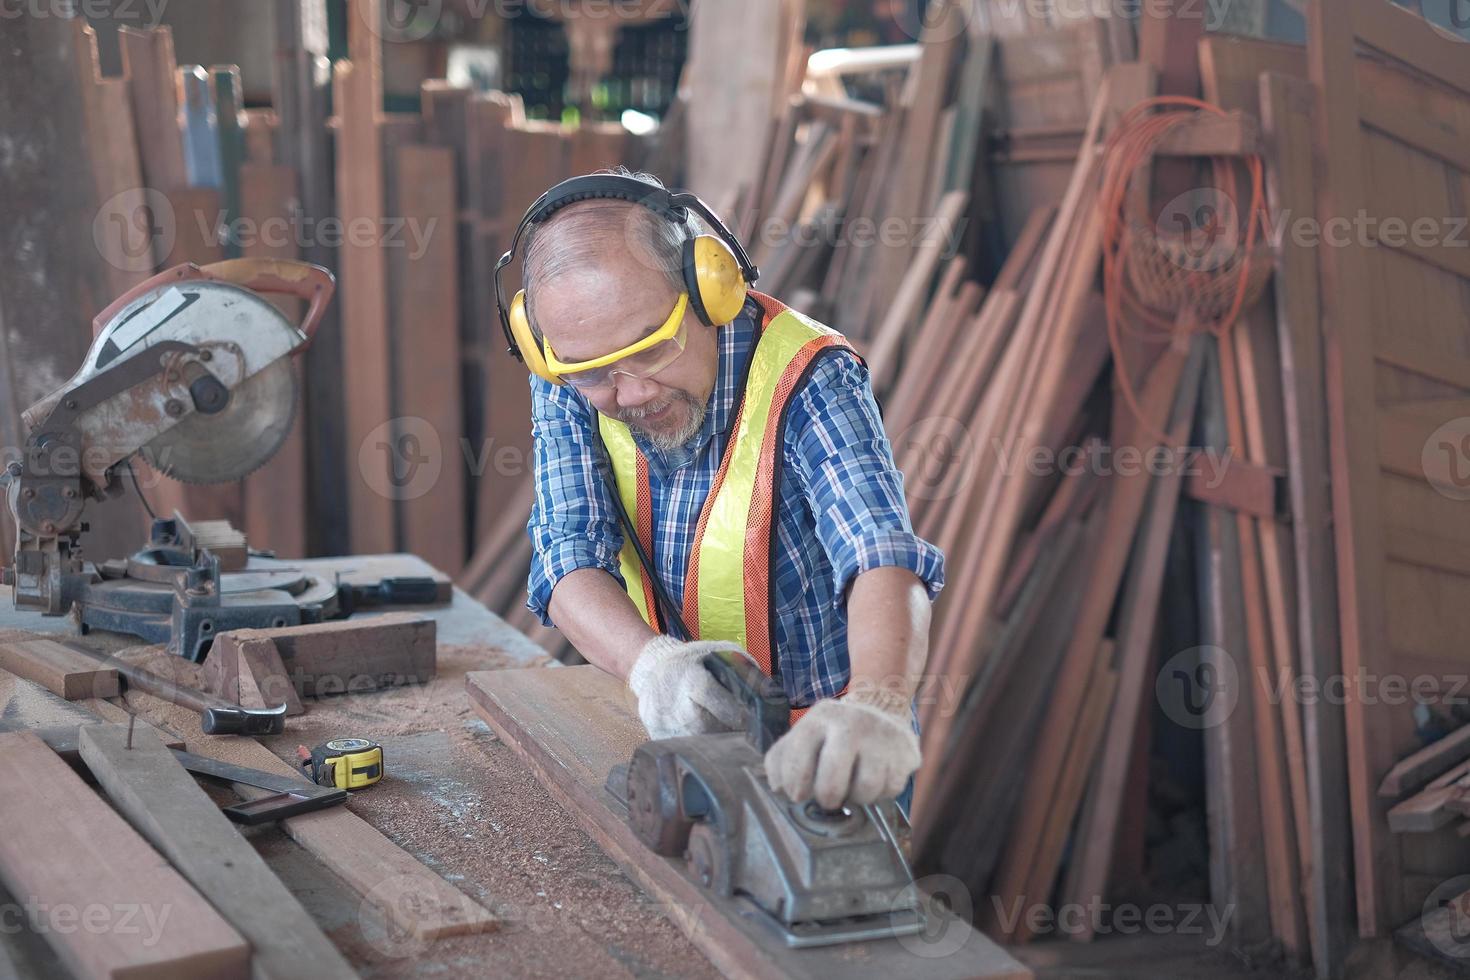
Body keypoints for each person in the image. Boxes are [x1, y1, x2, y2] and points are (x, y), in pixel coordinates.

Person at [497, 169, 944, 813]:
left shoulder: (809, 374)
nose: (630, 393)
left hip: (827, 752)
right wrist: (652, 667)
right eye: (593, 372)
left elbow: (879, 552)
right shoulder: (573, 369)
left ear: (710, 291)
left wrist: (878, 706)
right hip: (686, 732)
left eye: (651, 351)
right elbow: (567, 554)